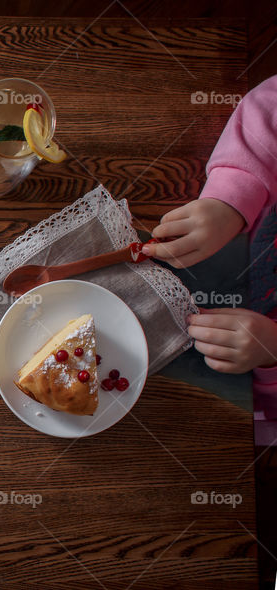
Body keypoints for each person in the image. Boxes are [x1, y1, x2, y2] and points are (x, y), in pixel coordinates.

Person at [142, 76, 277, 423]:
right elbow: (268, 107)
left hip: (247, 365)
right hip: (240, 241)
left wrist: (271, 350)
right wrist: (233, 198)